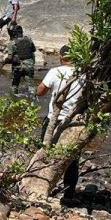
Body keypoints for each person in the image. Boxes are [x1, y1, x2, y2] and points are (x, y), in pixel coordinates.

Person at [34, 44, 87, 204]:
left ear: (61, 57)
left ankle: (39, 186)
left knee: (45, 152)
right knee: (72, 159)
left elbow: (40, 91)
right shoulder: (85, 75)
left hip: (54, 120)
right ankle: (69, 194)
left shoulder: (55, 72)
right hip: (74, 123)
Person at [3, 23, 36, 94]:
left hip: (18, 67)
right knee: (30, 85)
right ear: (22, 32)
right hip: (29, 66)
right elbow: (34, 50)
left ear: (14, 33)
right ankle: (33, 98)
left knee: (14, 85)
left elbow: (10, 57)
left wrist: (4, 62)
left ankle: (14, 98)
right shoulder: (29, 40)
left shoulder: (11, 43)